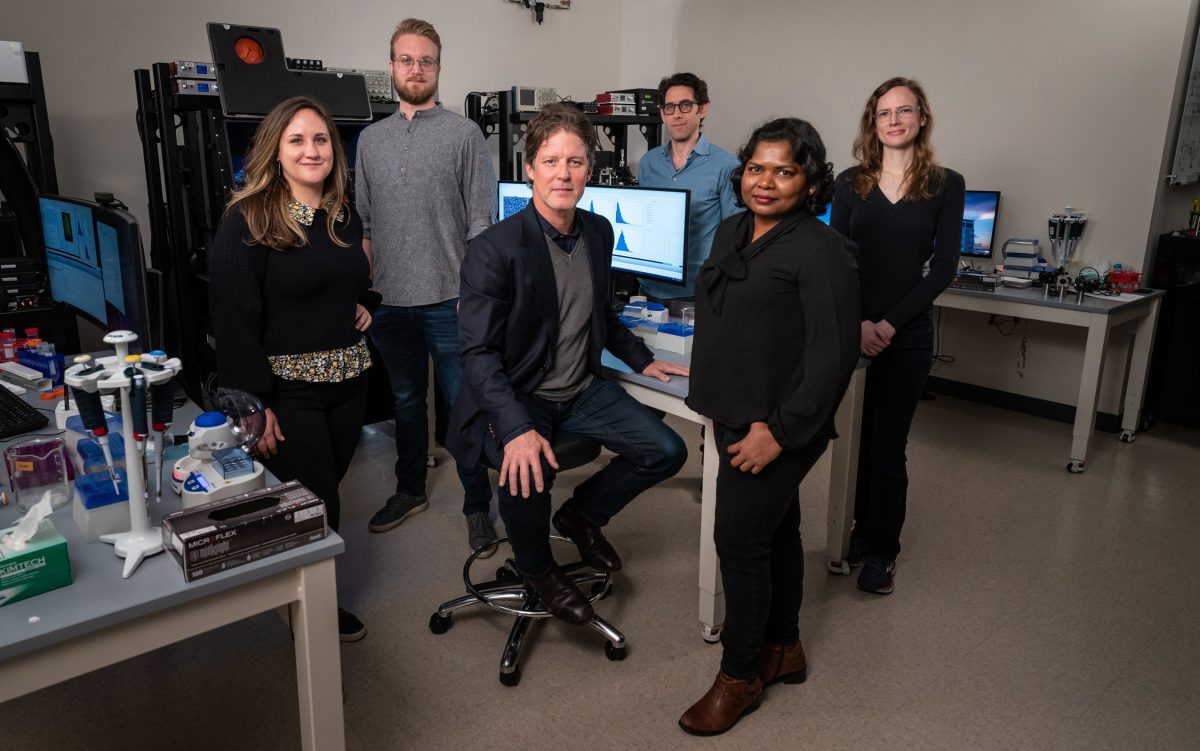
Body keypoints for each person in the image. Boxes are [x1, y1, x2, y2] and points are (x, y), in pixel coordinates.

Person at [447, 103, 690, 625]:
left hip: (580, 389)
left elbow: (602, 311)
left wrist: (643, 361)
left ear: (589, 169)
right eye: (551, 160)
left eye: (575, 162)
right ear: (529, 167)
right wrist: (513, 429)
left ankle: (580, 515)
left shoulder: (599, 232)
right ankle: (537, 568)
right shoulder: (495, 250)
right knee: (525, 464)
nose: (564, 174)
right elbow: (478, 353)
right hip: (518, 392)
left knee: (666, 450)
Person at [679, 118, 860, 736]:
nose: (767, 181)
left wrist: (778, 433)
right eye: (757, 167)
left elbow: (833, 358)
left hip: (777, 425)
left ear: (809, 182)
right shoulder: (733, 228)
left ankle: (739, 677)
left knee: (739, 541)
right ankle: (784, 650)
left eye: (785, 171)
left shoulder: (820, 248)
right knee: (778, 532)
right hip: (733, 410)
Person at [210, 96, 374, 642]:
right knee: (316, 504)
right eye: (298, 140)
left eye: (321, 139)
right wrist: (255, 404)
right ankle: (313, 617)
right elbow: (232, 319)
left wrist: (362, 301)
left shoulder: (340, 214)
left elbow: (344, 278)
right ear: (275, 151)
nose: (312, 150)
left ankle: (298, 592)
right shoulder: (248, 219)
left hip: (351, 383)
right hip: (289, 393)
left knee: (328, 497)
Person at [355, 18, 498, 555]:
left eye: (426, 61)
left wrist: (475, 294)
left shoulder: (464, 134)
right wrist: (366, 294)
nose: (416, 69)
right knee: (407, 401)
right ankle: (410, 489)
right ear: (391, 66)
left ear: (438, 67)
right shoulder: (370, 140)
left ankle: (477, 506)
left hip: (450, 298)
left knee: (466, 404)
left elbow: (481, 225)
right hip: (389, 303)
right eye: (406, 60)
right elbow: (365, 226)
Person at [830, 77, 965, 595]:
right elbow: (838, 260)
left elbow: (943, 268)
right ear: (873, 122)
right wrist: (859, 323)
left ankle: (882, 549)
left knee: (888, 446)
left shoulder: (944, 184)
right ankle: (857, 533)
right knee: (854, 442)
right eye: (884, 112)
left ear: (921, 118)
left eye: (904, 111)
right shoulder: (850, 182)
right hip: (853, 330)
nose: (894, 120)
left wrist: (887, 324)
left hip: (905, 337)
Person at [637, 72, 741, 303]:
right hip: (648, 287)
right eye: (669, 107)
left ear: (702, 109)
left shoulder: (726, 166)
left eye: (685, 106)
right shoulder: (648, 163)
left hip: (698, 292)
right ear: (662, 113)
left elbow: (735, 235)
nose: (677, 115)